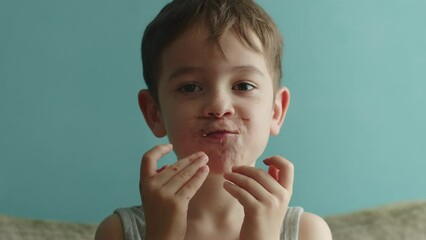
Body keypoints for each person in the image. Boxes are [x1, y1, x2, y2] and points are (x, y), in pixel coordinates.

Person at [96, 0, 332, 239]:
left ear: (276, 111)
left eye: (243, 85)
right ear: (154, 112)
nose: (219, 107)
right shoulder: (118, 232)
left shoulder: (307, 233)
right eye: (189, 87)